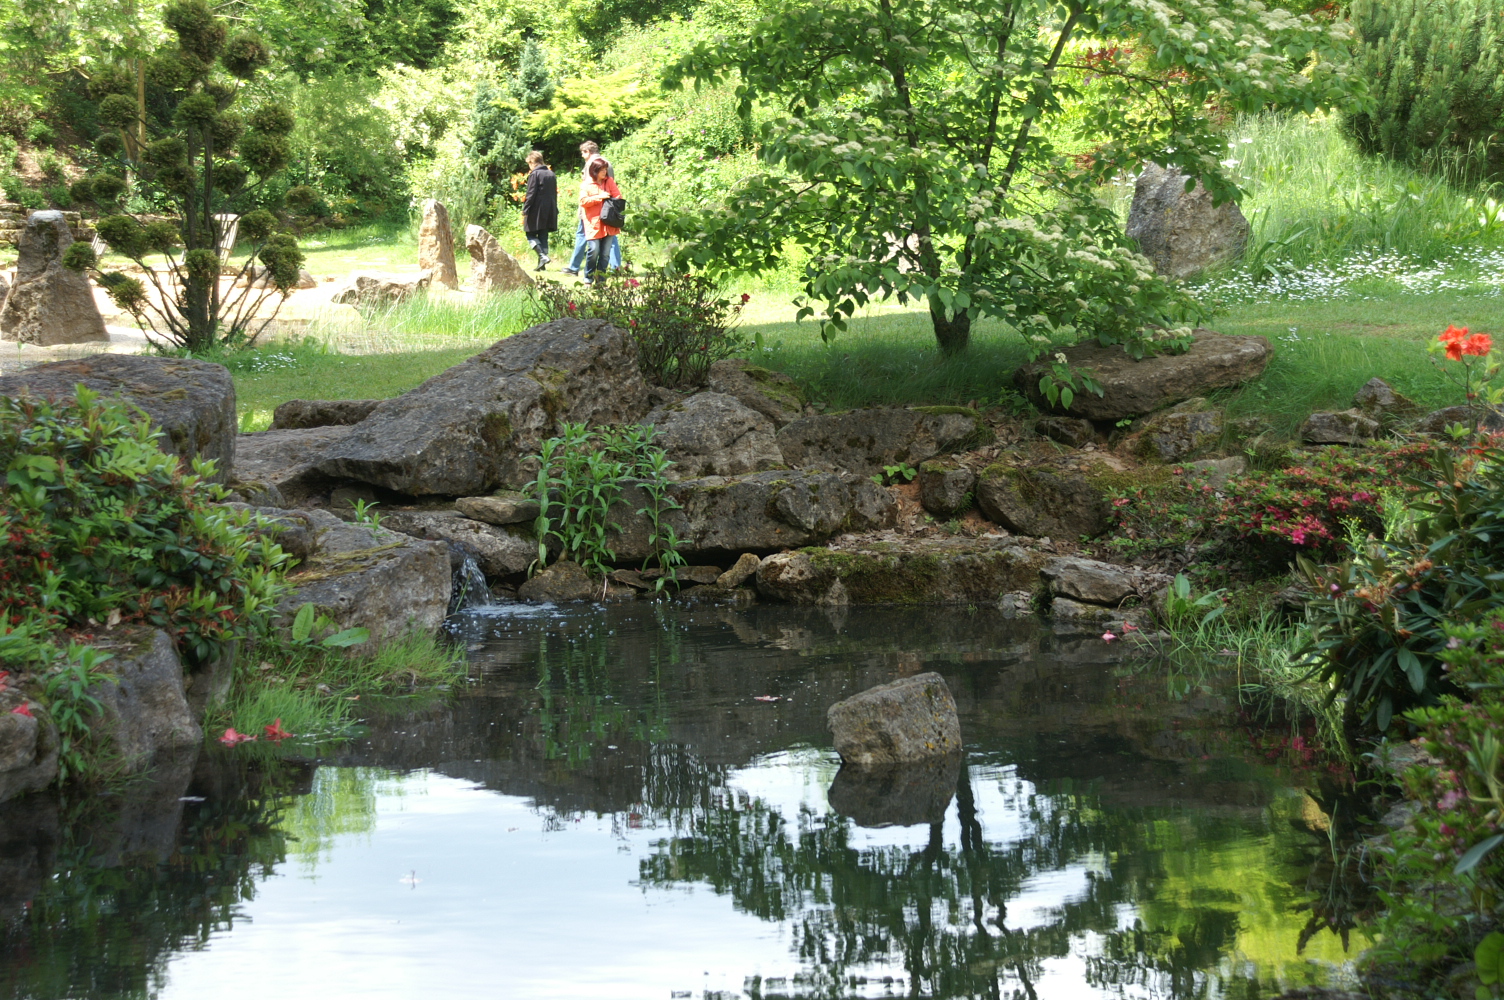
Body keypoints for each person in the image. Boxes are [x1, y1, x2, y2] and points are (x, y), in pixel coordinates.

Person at [562, 140, 623, 275]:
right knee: (610, 238)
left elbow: (589, 188)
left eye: (583, 153)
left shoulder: (592, 164)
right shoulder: (606, 162)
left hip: (594, 210)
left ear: (587, 152)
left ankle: (575, 267)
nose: (583, 156)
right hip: (608, 209)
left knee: (585, 237)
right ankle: (616, 267)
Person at [579, 157, 621, 285]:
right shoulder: (587, 184)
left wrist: (612, 199)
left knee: (605, 254)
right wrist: (599, 197)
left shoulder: (610, 181)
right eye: (602, 170)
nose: (604, 172)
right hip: (593, 223)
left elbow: (618, 196)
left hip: (609, 222)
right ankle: (588, 277)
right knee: (593, 250)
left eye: (605, 170)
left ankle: (601, 280)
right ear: (594, 171)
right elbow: (583, 201)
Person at [521, 151, 557, 271]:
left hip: (536, 209)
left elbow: (530, 194)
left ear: (532, 162)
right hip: (550, 208)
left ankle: (542, 256)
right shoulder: (551, 174)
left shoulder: (535, 174)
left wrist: (525, 209)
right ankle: (542, 266)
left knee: (530, 233)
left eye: (529, 164)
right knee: (543, 235)